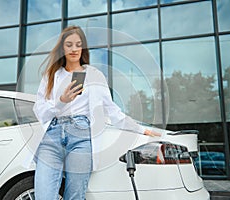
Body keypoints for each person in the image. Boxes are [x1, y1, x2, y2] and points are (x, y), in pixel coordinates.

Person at [33, 25, 160, 200]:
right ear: (62, 47)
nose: (74, 49)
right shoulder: (51, 75)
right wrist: (61, 101)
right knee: (44, 195)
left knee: (75, 195)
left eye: (78, 44)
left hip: (81, 136)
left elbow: (113, 111)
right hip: (52, 136)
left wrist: (140, 129)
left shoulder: (94, 75)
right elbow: (38, 108)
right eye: (69, 44)